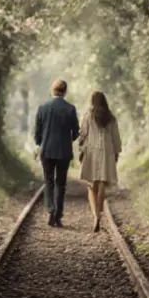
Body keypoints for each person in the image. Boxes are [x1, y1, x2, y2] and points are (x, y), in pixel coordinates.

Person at [33, 79, 79, 227]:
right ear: (65, 91)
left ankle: (50, 210)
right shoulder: (70, 109)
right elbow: (76, 132)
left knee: (48, 181)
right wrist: (68, 140)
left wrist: (40, 143)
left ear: (52, 90)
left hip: (46, 150)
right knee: (61, 183)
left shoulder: (43, 108)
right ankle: (58, 215)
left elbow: (37, 132)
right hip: (64, 152)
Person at [77, 90, 122, 232]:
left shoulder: (88, 115)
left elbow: (83, 133)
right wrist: (116, 152)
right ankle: (100, 214)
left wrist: (80, 149)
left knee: (91, 185)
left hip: (92, 151)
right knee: (102, 182)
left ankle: (95, 215)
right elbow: (116, 136)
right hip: (107, 151)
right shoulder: (111, 117)